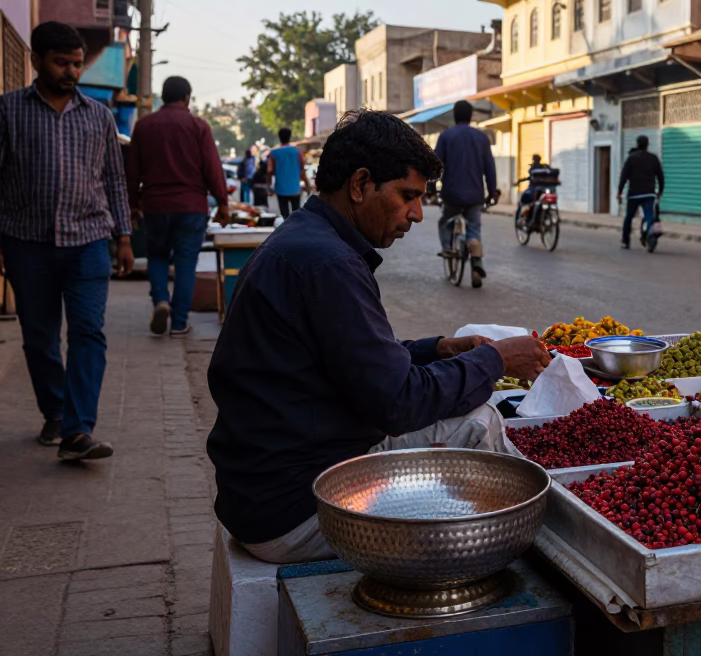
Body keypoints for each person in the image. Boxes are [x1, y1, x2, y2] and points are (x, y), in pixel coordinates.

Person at [206, 110, 550, 563]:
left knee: (466, 410)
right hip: (293, 511)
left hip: (260, 491)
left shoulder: (306, 240)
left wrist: (438, 349)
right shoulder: (329, 264)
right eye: (408, 196)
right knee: (477, 421)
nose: (418, 214)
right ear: (360, 184)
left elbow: (350, 360)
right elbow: (398, 402)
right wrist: (496, 362)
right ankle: (477, 564)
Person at [0, 22, 133, 460]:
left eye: (77, 63)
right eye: (61, 62)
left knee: (88, 332)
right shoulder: (8, 111)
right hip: (27, 242)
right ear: (36, 61)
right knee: (39, 337)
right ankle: (55, 412)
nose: (71, 71)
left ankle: (78, 430)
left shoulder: (98, 116)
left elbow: (115, 179)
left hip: (88, 241)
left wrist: (125, 237)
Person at [127, 75, 230, 337]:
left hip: (155, 206)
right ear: (187, 98)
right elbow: (212, 168)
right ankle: (180, 322)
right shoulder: (198, 126)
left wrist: (132, 205)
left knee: (158, 257)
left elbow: (132, 171)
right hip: (191, 206)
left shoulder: (144, 126)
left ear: (164, 96)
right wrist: (222, 203)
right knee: (185, 263)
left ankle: (161, 300)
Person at [433, 100, 499, 288]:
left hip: (451, 194)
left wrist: (429, 188)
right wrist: (492, 192)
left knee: (445, 221)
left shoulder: (446, 136)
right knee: (474, 228)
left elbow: (436, 164)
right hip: (475, 195)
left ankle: (447, 248)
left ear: (454, 115)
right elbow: (490, 168)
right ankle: (476, 264)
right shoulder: (482, 137)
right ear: (471, 116)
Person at [617, 135, 664, 250]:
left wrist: (619, 192)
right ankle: (651, 238)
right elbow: (661, 176)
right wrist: (660, 192)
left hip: (634, 194)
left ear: (637, 144)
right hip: (649, 193)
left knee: (629, 217)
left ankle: (625, 240)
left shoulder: (631, 158)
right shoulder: (653, 158)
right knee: (649, 216)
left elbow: (623, 177)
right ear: (647, 145)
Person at [268, 128, 310, 218]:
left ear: (279, 138)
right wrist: (307, 184)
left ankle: (287, 230)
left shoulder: (274, 153)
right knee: (296, 214)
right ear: (289, 137)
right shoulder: (298, 151)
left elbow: (269, 171)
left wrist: (269, 186)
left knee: (285, 215)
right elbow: (302, 169)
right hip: (295, 189)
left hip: (280, 189)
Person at [515, 153, 555, 228]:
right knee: (525, 202)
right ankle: (523, 218)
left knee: (523, 201)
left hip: (534, 190)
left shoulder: (534, 168)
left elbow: (529, 178)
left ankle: (520, 220)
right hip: (539, 190)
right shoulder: (542, 167)